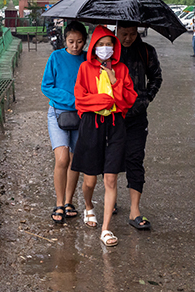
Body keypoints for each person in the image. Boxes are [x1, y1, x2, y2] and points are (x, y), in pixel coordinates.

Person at [71, 25, 137, 247]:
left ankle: (106, 228)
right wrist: (107, 101)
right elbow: (80, 100)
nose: (105, 48)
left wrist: (114, 80)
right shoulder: (85, 69)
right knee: (89, 180)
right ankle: (88, 205)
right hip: (92, 125)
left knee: (110, 178)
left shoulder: (121, 69)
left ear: (115, 47)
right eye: (101, 44)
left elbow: (128, 100)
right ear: (93, 47)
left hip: (116, 125)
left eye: (109, 44)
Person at [41, 21, 88, 224]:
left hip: (82, 115)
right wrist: (72, 99)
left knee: (75, 159)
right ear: (65, 40)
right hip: (59, 113)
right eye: (71, 41)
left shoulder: (88, 60)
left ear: (85, 41)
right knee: (62, 159)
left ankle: (69, 202)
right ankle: (59, 202)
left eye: (79, 42)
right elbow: (46, 86)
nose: (75, 46)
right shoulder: (56, 57)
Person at [116, 22, 163, 230]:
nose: (128, 38)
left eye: (132, 34)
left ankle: (135, 209)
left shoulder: (146, 51)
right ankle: (112, 199)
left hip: (137, 116)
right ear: (116, 31)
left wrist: (146, 98)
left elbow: (156, 77)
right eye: (124, 34)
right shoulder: (108, 51)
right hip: (112, 115)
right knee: (112, 160)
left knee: (135, 158)